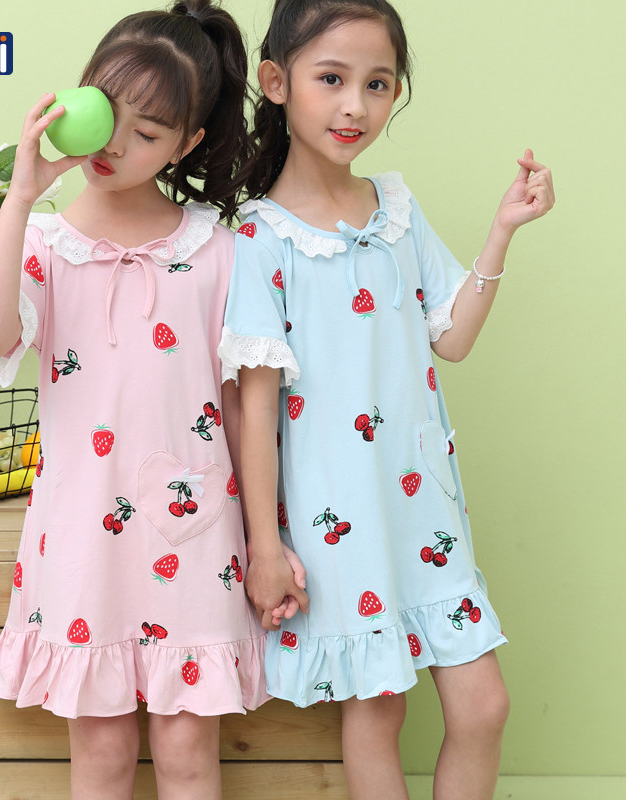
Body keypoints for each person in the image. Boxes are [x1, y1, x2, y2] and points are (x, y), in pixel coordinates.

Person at [218, 1, 554, 798]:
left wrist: (502, 231)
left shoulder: (396, 210)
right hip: (338, 521)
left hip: (424, 509)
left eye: (377, 84)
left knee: (483, 706)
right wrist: (265, 547)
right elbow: (254, 409)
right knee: (378, 711)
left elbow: (452, 338)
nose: (355, 106)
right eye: (331, 79)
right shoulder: (259, 238)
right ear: (277, 82)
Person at [0, 3, 271, 798]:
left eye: (149, 132)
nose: (114, 144)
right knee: (99, 758)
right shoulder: (44, 242)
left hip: (195, 536)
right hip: (81, 542)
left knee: (187, 755)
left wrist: (266, 542)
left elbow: (241, 408)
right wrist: (19, 198)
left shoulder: (217, 249)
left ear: (186, 144)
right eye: (109, 112)